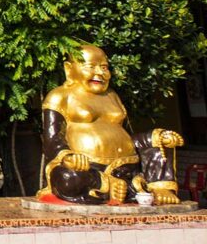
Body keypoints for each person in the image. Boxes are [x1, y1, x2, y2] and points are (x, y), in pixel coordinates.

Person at [41, 45, 183, 205]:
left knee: (159, 141)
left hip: (127, 164)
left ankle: (158, 186)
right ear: (69, 69)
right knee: (66, 178)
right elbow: (52, 139)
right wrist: (67, 156)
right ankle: (109, 184)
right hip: (88, 168)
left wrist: (157, 138)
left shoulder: (112, 96)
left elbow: (127, 136)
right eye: (91, 67)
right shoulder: (60, 96)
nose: (100, 73)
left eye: (104, 68)